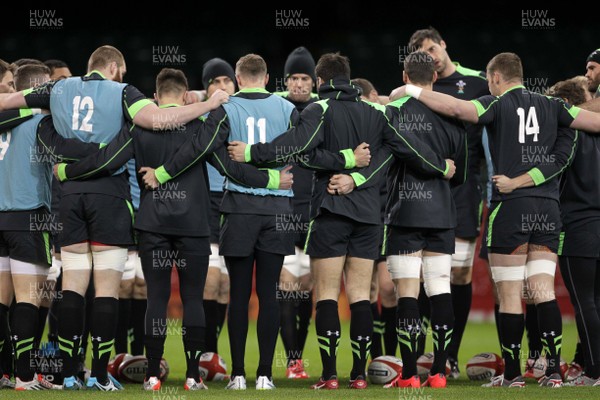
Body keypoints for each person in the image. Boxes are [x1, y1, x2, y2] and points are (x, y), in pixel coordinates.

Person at [0, 45, 228, 391]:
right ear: (114, 67)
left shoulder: (56, 88)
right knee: (107, 288)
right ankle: (100, 375)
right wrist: (209, 104)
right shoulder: (124, 91)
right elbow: (157, 119)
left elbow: (6, 104)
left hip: (71, 195)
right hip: (109, 195)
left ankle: (66, 374)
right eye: (120, 70)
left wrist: (67, 164)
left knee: (73, 285)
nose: (122, 74)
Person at [226, 52, 455, 390]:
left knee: (327, 296)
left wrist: (251, 153)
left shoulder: (319, 109)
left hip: (330, 211)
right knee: (361, 296)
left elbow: (297, 147)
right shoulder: (379, 112)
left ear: (320, 81)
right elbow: (407, 148)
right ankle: (359, 376)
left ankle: (330, 375)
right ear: (348, 77)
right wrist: (441, 166)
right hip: (368, 217)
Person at [53, 67, 290, 391]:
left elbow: (107, 160)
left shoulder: (139, 127)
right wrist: (271, 180)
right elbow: (226, 167)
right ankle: (192, 376)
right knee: (193, 299)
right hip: (194, 224)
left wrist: (68, 170)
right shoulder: (201, 125)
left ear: (154, 96)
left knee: (157, 298)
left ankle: (152, 375)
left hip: (152, 223)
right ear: (185, 95)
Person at [139, 54, 362, 391]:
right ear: (268, 76)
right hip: (278, 212)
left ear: (238, 79)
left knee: (240, 296)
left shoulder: (225, 109)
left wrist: (164, 172)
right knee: (270, 295)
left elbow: (205, 150)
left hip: (239, 209)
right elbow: (303, 150)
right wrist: (344, 160)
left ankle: (239, 375)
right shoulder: (288, 109)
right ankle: (265, 376)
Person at [392, 52, 600, 387]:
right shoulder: (553, 106)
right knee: (543, 291)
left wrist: (411, 92)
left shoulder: (496, 103)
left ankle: (514, 374)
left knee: (510, 294)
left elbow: (459, 109)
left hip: (511, 207)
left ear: (495, 79)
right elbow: (595, 122)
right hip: (548, 211)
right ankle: (552, 372)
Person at [0, 64, 103, 390]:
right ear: (40, 90)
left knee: (3, 303)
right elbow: (65, 150)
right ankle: (25, 376)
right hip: (28, 217)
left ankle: (5, 371)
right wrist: (102, 146)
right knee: (29, 301)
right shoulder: (40, 121)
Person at [406, 28, 489, 375]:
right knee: (427, 272)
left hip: (465, 188)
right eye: (422, 52)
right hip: (426, 187)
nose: (430, 56)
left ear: (443, 45)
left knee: (459, 273)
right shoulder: (420, 86)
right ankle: (426, 351)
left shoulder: (478, 83)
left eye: (431, 48)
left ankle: (451, 354)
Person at [382, 51, 466, 389]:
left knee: (407, 294)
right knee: (440, 290)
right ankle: (440, 373)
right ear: (434, 78)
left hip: (405, 213)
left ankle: (408, 375)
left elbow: (390, 158)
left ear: (404, 76)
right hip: (443, 213)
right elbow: (459, 170)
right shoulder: (453, 115)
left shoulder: (393, 112)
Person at [548, 77, 600, 386]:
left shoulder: (566, 132)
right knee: (597, 300)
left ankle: (594, 371)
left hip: (577, 224)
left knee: (584, 302)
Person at [275, 46, 318, 379]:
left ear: (314, 81)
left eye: (305, 77)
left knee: (306, 290)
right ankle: (292, 361)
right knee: (287, 286)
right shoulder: (275, 107)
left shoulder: (324, 109)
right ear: (286, 80)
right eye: (294, 77)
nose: (299, 84)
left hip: (316, 211)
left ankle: (298, 356)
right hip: (284, 209)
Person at [200, 58, 236, 359]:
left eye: (227, 81)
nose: (222, 87)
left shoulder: (245, 111)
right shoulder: (197, 113)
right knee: (210, 281)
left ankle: (211, 352)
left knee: (226, 285)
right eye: (215, 82)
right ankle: (203, 351)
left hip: (236, 201)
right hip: (206, 202)